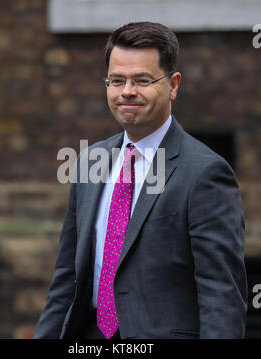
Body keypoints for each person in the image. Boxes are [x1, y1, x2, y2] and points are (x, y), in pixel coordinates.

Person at [34, 21, 247, 339]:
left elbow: (221, 296)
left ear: (173, 85)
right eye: (117, 80)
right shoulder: (91, 161)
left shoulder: (204, 174)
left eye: (142, 80)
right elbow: (67, 279)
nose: (127, 92)